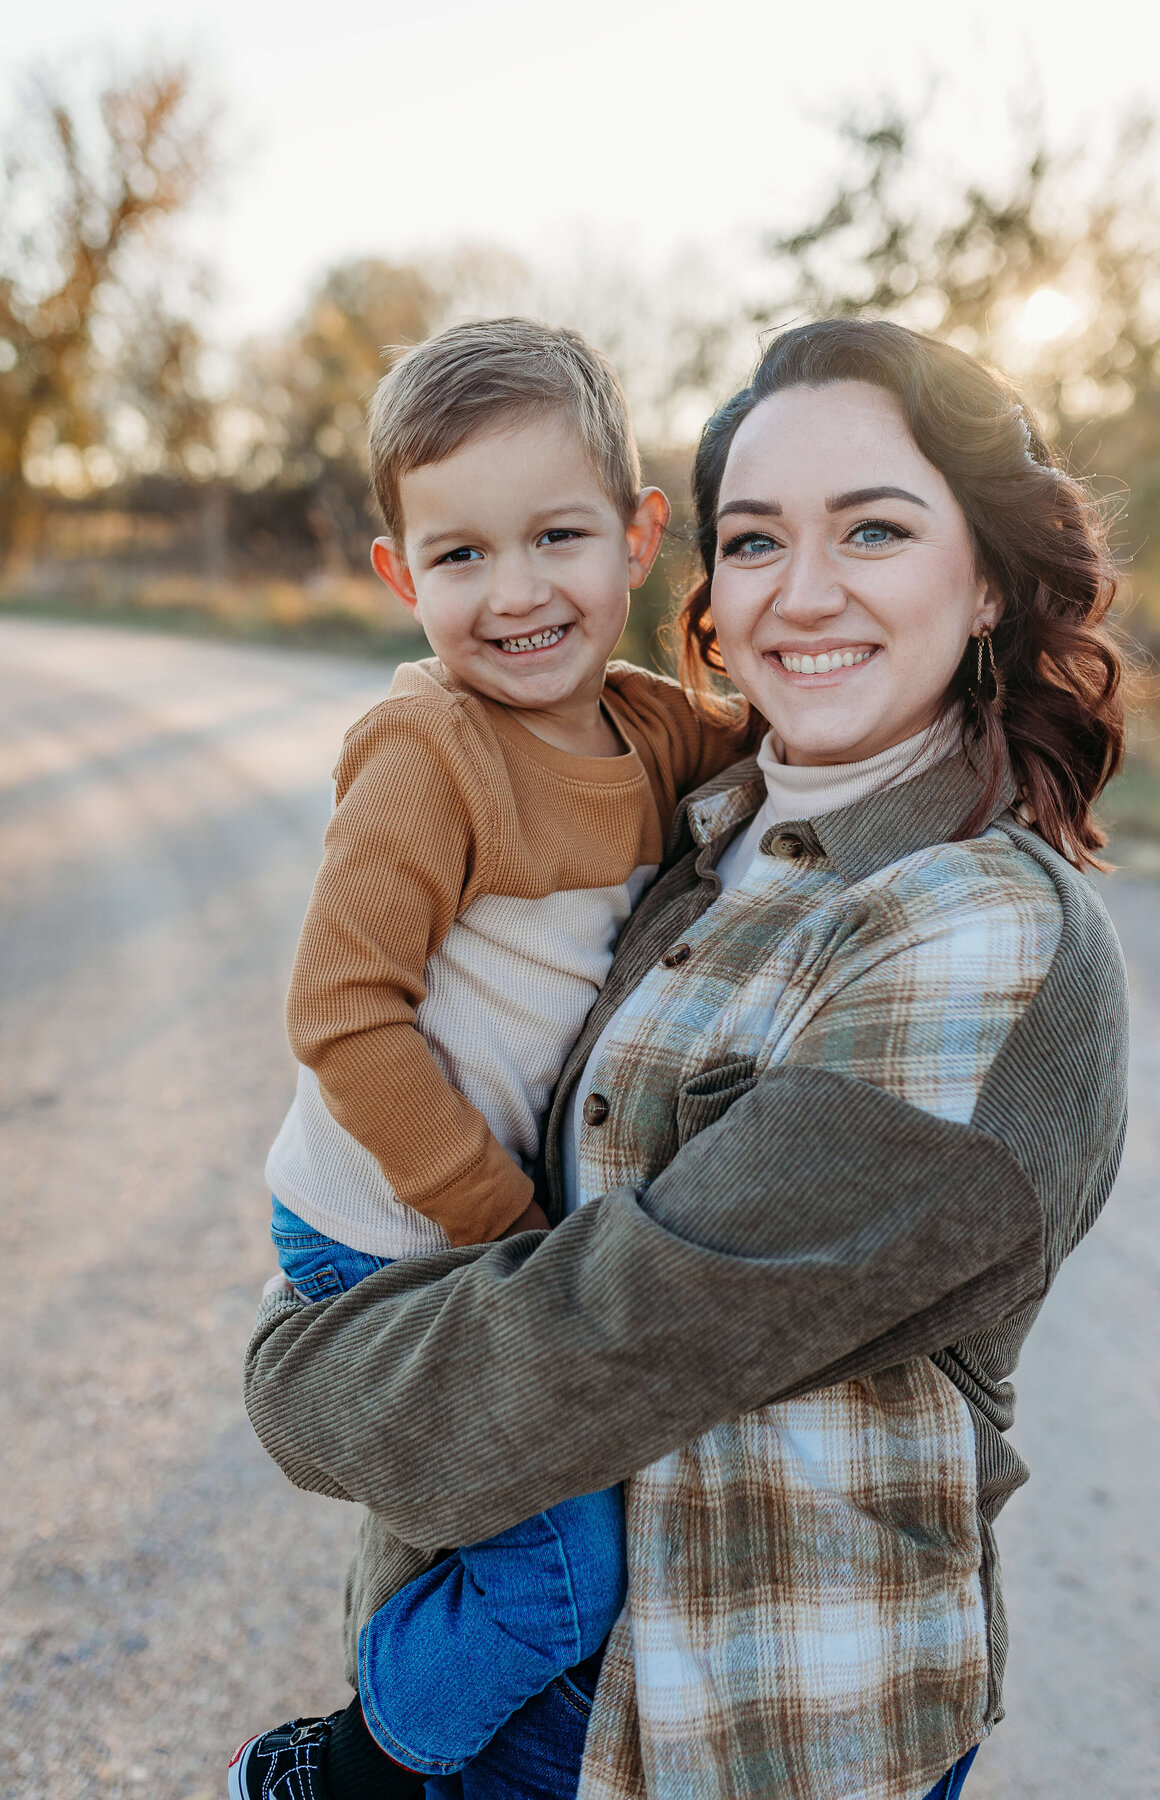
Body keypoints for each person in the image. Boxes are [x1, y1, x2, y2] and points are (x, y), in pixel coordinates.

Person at [242, 319, 1130, 1800]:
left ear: (984, 578)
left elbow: (635, 1321)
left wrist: (304, 1378)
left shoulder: (979, 927)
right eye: (758, 540)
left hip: (767, 1730)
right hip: (547, 1704)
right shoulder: (718, 825)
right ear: (706, 580)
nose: (808, 588)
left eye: (876, 529)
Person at [229, 319, 748, 1799]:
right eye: (460, 556)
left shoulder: (650, 732)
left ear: (641, 538)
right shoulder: (428, 752)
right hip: (384, 1233)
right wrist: (497, 1224)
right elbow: (341, 1013)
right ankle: (355, 1764)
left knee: (581, 1551)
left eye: (558, 537)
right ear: (401, 574)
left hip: (475, 1240)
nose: (516, 594)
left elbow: (789, 747)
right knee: (567, 1578)